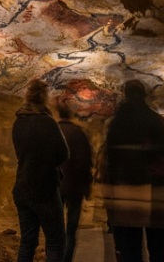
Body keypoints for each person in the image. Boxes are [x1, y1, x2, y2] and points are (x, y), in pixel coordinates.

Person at [103, 79, 164, 262]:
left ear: (126, 96)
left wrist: (110, 192)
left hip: (128, 188)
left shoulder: (117, 123)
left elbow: (111, 160)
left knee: (129, 249)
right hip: (157, 187)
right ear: (145, 96)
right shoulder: (159, 121)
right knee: (161, 249)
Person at [12, 79, 70, 262]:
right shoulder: (48, 122)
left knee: (27, 242)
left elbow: (20, 153)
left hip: (22, 187)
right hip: (44, 189)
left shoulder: (18, 123)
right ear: (44, 98)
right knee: (55, 242)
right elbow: (63, 154)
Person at [57, 103, 93, 262]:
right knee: (71, 230)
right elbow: (84, 162)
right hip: (74, 188)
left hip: (55, 186)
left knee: (54, 230)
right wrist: (86, 187)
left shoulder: (53, 131)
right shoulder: (79, 133)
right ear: (71, 115)